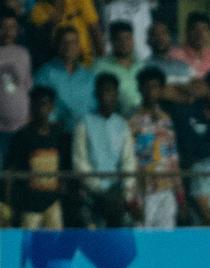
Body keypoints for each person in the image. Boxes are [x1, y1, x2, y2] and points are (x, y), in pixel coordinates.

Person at [73, 71, 135, 227]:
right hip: (92, 194)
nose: (108, 96)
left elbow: (128, 161)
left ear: (117, 94)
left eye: (111, 91)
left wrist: (125, 191)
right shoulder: (84, 123)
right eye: (104, 91)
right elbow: (79, 162)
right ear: (96, 94)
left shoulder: (122, 125)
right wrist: (99, 189)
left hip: (118, 195)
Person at [4, 84, 70, 228]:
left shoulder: (59, 135)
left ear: (52, 106)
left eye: (44, 104)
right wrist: (9, 204)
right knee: (28, 244)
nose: (40, 108)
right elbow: (10, 169)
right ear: (31, 106)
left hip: (53, 202)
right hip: (29, 204)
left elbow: (65, 166)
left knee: (56, 242)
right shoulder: (22, 136)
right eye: (36, 104)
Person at [128, 65, 181, 229]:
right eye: (147, 87)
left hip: (166, 187)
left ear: (161, 89)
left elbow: (173, 156)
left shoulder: (166, 119)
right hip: (143, 188)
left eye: (156, 87)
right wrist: (130, 195)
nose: (151, 91)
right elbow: (128, 156)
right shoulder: (132, 120)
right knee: (142, 233)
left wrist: (179, 192)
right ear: (140, 88)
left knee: (166, 237)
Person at [34, 25, 94, 132]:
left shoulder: (89, 76)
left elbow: (95, 106)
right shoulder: (45, 73)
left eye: (73, 42)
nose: (69, 46)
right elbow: (38, 105)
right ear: (57, 45)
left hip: (86, 133)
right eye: (64, 42)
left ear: (79, 46)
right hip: (56, 133)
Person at [0, 9, 32, 166]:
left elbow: (27, 86)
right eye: (3, 26)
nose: (7, 31)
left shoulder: (23, 53)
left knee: (19, 169)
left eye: (11, 27)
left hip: (22, 126)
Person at [93, 20, 140, 114]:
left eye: (128, 38)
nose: (124, 43)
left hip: (144, 118)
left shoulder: (143, 66)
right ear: (112, 41)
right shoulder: (100, 66)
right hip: (116, 118)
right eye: (119, 39)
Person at [169, 10, 210, 80]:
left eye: (204, 29)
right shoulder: (175, 55)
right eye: (195, 29)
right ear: (187, 31)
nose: (200, 34)